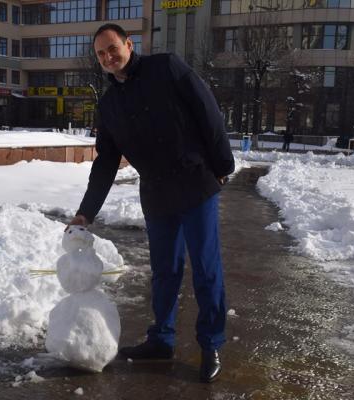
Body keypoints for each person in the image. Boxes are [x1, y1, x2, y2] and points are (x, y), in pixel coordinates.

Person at [67, 23, 235, 383]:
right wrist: (86, 212)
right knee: (164, 272)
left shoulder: (167, 68)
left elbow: (207, 110)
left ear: (129, 44)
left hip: (195, 183)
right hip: (157, 194)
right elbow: (106, 161)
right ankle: (161, 339)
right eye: (101, 53)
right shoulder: (109, 105)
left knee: (206, 269)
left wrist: (222, 165)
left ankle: (210, 344)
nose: (108, 57)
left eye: (113, 48)